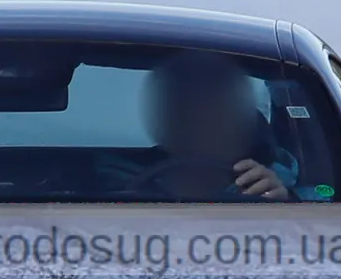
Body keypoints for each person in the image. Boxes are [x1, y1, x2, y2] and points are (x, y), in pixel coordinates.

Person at [126, 50, 296, 201]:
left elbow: (313, 213)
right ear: (166, 125)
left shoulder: (282, 178)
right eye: (189, 121)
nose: (204, 132)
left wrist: (282, 202)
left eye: (217, 118)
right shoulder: (118, 179)